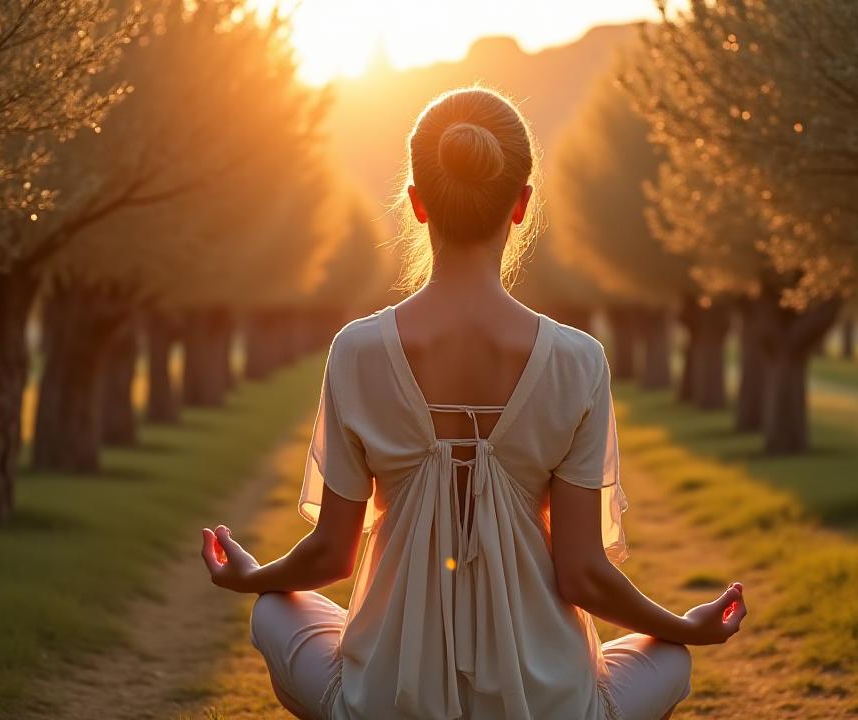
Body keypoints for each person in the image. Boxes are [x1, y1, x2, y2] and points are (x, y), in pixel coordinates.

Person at [200, 86, 746, 720]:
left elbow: (329, 554)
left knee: (275, 608)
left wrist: (249, 575)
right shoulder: (577, 360)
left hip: (385, 699)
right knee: (671, 659)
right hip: (549, 703)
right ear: (520, 205)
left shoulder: (357, 351)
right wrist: (685, 625)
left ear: (416, 204)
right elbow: (584, 575)